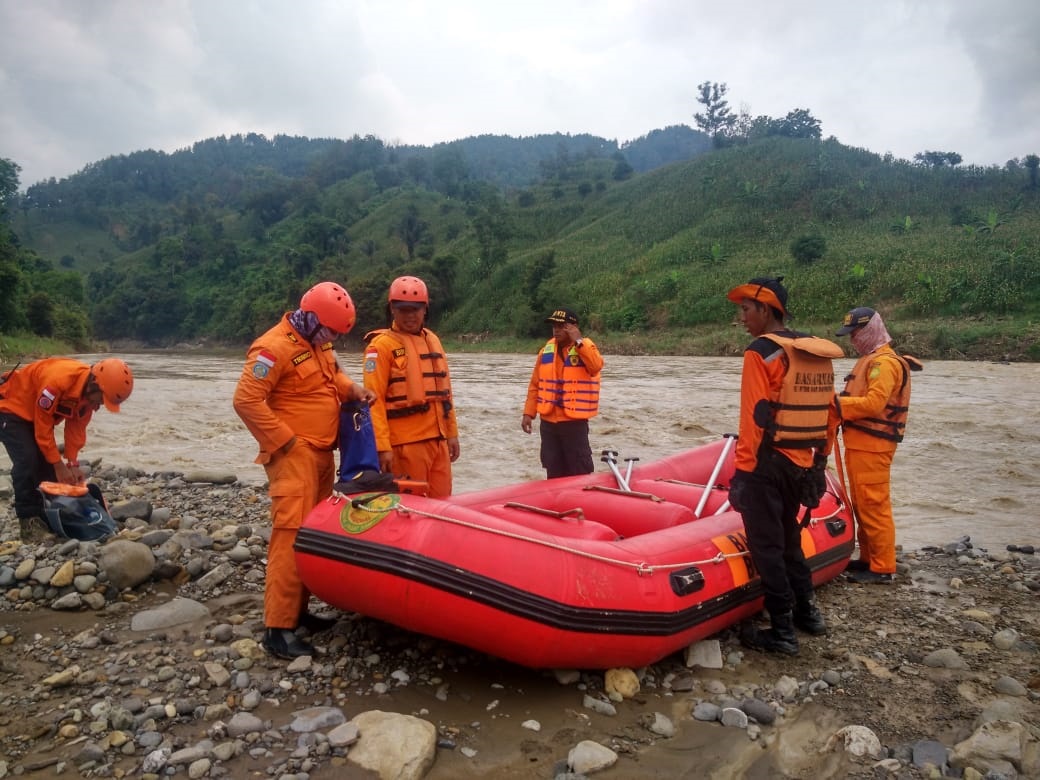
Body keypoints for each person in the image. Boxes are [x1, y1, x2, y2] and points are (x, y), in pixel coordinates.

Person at [233, 281, 376, 660]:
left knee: (310, 532)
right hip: (293, 455)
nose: (333, 338)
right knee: (289, 535)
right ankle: (278, 629)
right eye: (329, 330)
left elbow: (332, 377)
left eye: (336, 333)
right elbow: (246, 400)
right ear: (310, 317)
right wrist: (287, 442)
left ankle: (298, 612)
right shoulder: (272, 347)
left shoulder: (319, 343)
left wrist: (353, 390)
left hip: (321, 454)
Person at [725, 277, 841, 656]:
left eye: (746, 309)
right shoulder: (812, 349)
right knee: (789, 538)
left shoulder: (759, 352)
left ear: (766, 309)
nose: (742, 317)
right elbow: (829, 413)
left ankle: (782, 632)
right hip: (802, 461)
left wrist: (742, 475)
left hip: (765, 465)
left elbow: (753, 420)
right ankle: (808, 613)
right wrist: (818, 464)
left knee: (767, 546)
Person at [0, 357, 133, 542]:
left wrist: (71, 463)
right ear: (95, 384)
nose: (101, 404)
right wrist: (58, 463)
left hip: (34, 415)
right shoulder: (57, 382)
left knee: (49, 472)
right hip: (10, 408)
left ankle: (47, 516)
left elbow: (76, 429)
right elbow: (43, 426)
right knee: (27, 461)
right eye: (103, 399)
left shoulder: (88, 396)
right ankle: (28, 523)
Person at [835, 306, 921, 584]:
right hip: (860, 446)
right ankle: (868, 559)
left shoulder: (884, 364)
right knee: (862, 504)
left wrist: (835, 404)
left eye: (856, 332)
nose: (853, 339)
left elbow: (874, 404)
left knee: (874, 505)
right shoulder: (869, 359)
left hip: (873, 448)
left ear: (869, 330)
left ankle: (883, 568)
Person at [363, 276, 459, 498]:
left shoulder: (432, 340)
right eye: (403, 309)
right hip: (405, 444)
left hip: (438, 439)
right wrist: (382, 447)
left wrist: (452, 433)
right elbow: (373, 401)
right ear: (392, 310)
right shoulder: (381, 346)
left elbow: (446, 394)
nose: (410, 315)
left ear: (425, 309)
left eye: (415, 309)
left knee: (443, 504)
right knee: (410, 508)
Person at [521, 308, 604, 479]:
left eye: (561, 326)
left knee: (579, 468)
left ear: (573, 327)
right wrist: (528, 413)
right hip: (549, 423)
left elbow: (596, 366)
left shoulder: (585, 347)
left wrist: (579, 340)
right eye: (554, 326)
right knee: (553, 467)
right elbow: (535, 385)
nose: (556, 330)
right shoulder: (545, 352)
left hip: (573, 423)